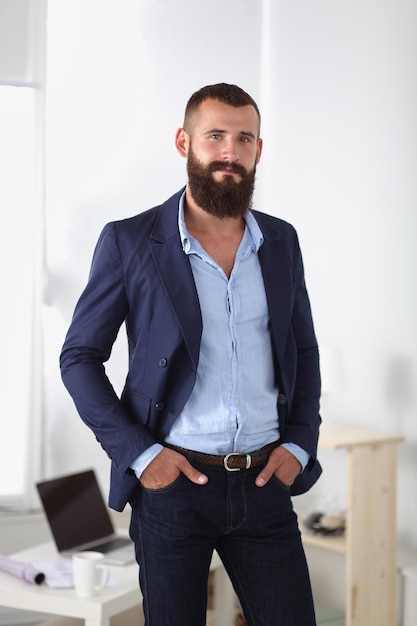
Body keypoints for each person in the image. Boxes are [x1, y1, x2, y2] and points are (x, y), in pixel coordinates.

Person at [60, 83, 322, 626]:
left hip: (265, 485)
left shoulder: (281, 241)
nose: (230, 151)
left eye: (244, 138)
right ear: (185, 142)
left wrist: (300, 443)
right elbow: (80, 357)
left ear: (258, 150)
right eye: (216, 136)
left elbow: (303, 348)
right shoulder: (129, 241)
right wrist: (139, 453)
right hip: (173, 487)